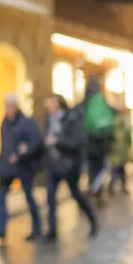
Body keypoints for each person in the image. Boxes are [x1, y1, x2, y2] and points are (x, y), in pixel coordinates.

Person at [43, 94, 97, 241]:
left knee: (76, 194)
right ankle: (52, 231)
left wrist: (57, 141)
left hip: (69, 165)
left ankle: (92, 220)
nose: (47, 105)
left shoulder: (71, 118)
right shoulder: (49, 120)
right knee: (50, 197)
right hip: (53, 165)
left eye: (51, 102)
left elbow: (77, 141)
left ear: (58, 103)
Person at [0, 93, 43, 241]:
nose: (8, 109)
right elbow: (4, 146)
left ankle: (37, 228)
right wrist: (1, 165)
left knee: (28, 195)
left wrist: (24, 151)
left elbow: (36, 141)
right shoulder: (4, 124)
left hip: (23, 165)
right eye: (6, 106)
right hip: (7, 167)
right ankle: (1, 228)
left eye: (10, 106)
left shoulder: (26, 123)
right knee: (1, 196)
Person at [83, 76, 115, 201]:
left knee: (92, 168)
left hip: (89, 142)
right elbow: (110, 116)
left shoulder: (85, 102)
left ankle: (93, 188)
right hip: (102, 142)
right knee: (101, 167)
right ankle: (98, 192)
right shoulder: (101, 99)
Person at [109, 107, 132, 194]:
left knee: (114, 172)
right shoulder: (124, 127)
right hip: (123, 154)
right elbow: (129, 140)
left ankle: (111, 187)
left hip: (114, 153)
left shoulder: (111, 127)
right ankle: (123, 187)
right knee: (122, 171)